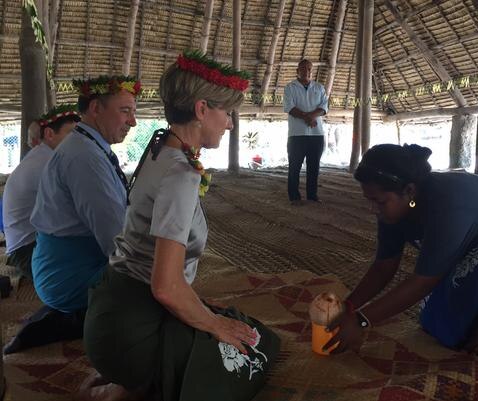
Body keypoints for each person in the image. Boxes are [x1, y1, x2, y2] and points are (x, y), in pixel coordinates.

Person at [81, 51, 280, 401]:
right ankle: (134, 381)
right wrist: (216, 326)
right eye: (227, 113)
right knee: (253, 349)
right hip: (131, 333)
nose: (231, 124)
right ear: (202, 110)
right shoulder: (181, 174)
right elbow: (166, 288)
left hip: (111, 313)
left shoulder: (159, 146)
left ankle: (131, 380)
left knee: (235, 325)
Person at [324, 144, 478, 357]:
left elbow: (423, 281)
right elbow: (384, 266)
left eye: (378, 201)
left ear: (409, 191)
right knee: (436, 321)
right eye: (369, 200)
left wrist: (361, 322)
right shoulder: (393, 208)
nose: (372, 209)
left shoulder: (448, 202)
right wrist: (349, 307)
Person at [3, 76, 140, 355]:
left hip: (61, 266)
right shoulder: (84, 157)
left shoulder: (89, 147)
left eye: (133, 112)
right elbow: (114, 241)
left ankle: (75, 313)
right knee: (158, 287)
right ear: (95, 108)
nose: (133, 121)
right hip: (68, 275)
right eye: (125, 111)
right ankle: (75, 318)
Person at [2, 104, 80, 279]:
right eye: (71, 134)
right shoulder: (48, 162)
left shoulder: (42, 156)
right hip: (26, 251)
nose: (77, 140)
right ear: (50, 134)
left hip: (26, 245)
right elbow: (74, 207)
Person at [283, 59, 328, 204]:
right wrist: (308, 117)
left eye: (309, 69)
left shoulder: (319, 87)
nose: (306, 71)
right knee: (294, 166)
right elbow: (290, 107)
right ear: (297, 70)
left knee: (314, 166)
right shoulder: (290, 87)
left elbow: (324, 107)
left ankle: (312, 195)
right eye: (303, 69)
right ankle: (294, 197)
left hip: (317, 134)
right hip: (296, 134)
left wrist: (311, 116)